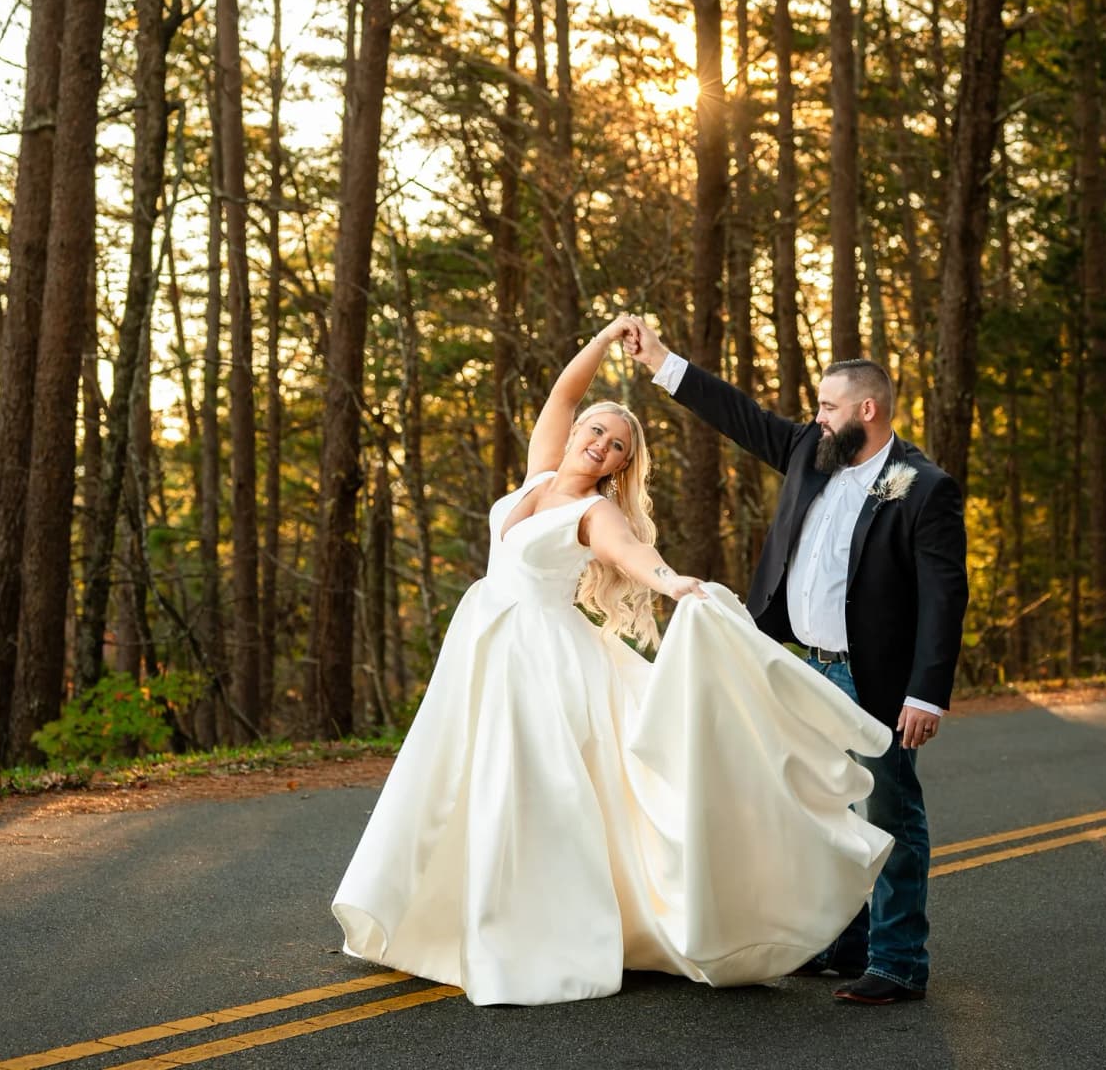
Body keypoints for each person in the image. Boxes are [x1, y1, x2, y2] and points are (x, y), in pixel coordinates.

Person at [332, 317, 894, 1006]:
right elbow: (564, 395)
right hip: (485, 644)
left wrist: (672, 582)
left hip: (539, 657)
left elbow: (632, 555)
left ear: (621, 465)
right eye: (595, 433)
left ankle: (528, 929)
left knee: (527, 787)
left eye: (616, 447)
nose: (599, 445)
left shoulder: (597, 513)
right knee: (459, 773)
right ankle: (437, 913)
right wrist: (601, 340)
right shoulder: (538, 473)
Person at [620, 318, 968, 1005]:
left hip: (875, 678)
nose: (816, 416)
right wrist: (661, 362)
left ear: (867, 410)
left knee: (889, 815)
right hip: (801, 666)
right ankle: (841, 943)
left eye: (828, 405)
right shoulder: (814, 451)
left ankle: (897, 962)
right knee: (817, 808)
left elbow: (943, 597)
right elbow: (740, 416)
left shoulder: (922, 487)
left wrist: (925, 694)